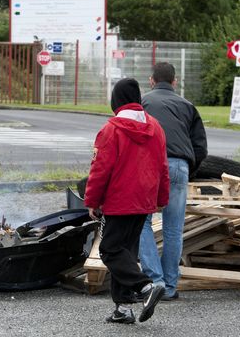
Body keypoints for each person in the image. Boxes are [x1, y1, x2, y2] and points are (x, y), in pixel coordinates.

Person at [84, 78, 169, 324]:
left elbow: (100, 170)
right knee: (126, 253)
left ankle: (145, 287)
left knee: (110, 250)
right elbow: (162, 167)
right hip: (144, 200)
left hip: (120, 200)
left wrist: (92, 201)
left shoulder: (111, 129)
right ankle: (123, 309)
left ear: (116, 100)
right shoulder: (156, 127)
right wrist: (161, 199)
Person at [138, 62, 208, 300]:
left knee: (141, 222)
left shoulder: (144, 103)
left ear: (151, 80)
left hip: (149, 165)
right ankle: (169, 287)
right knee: (173, 229)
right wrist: (189, 169)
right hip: (180, 165)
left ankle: (154, 280)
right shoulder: (188, 106)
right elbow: (200, 147)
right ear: (175, 82)